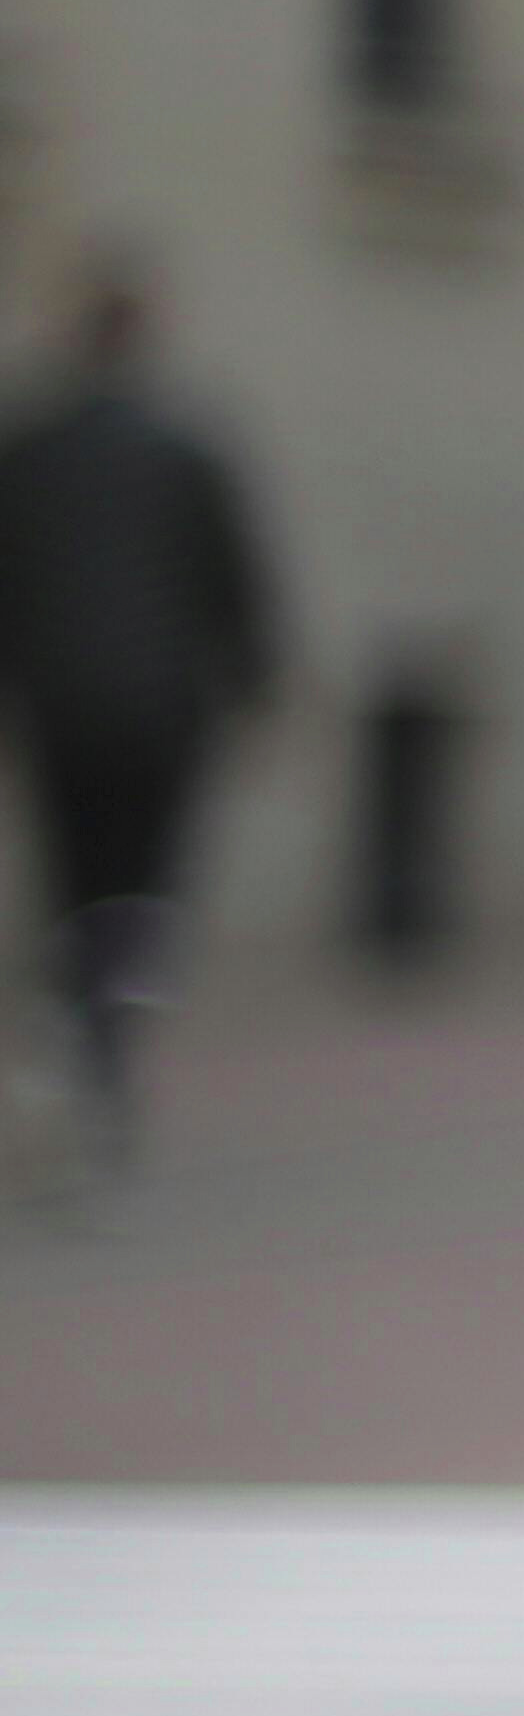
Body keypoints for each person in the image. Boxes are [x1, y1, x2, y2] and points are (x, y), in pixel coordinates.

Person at [0, 255, 277, 1175]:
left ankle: (83, 1026)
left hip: (61, 708)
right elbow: (236, 584)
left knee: (79, 879)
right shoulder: (184, 449)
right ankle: (107, 1044)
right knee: (142, 890)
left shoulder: (31, 451)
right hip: (161, 714)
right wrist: (257, 686)